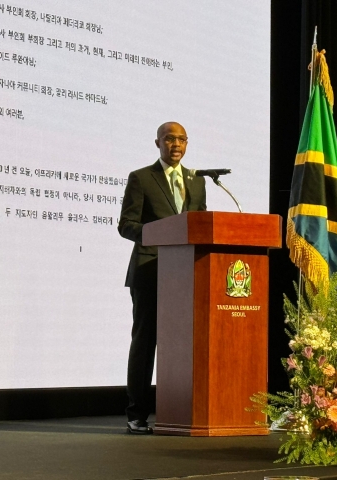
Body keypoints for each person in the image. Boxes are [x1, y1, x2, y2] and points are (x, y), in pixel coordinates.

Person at [118, 122, 207, 434]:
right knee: (145, 342)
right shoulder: (142, 178)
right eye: (170, 138)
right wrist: (159, 235)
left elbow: (201, 225)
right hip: (150, 270)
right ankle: (137, 413)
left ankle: (180, 411)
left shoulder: (197, 182)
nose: (176, 144)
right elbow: (126, 224)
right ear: (158, 142)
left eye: (182, 139)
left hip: (186, 276)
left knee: (186, 344)